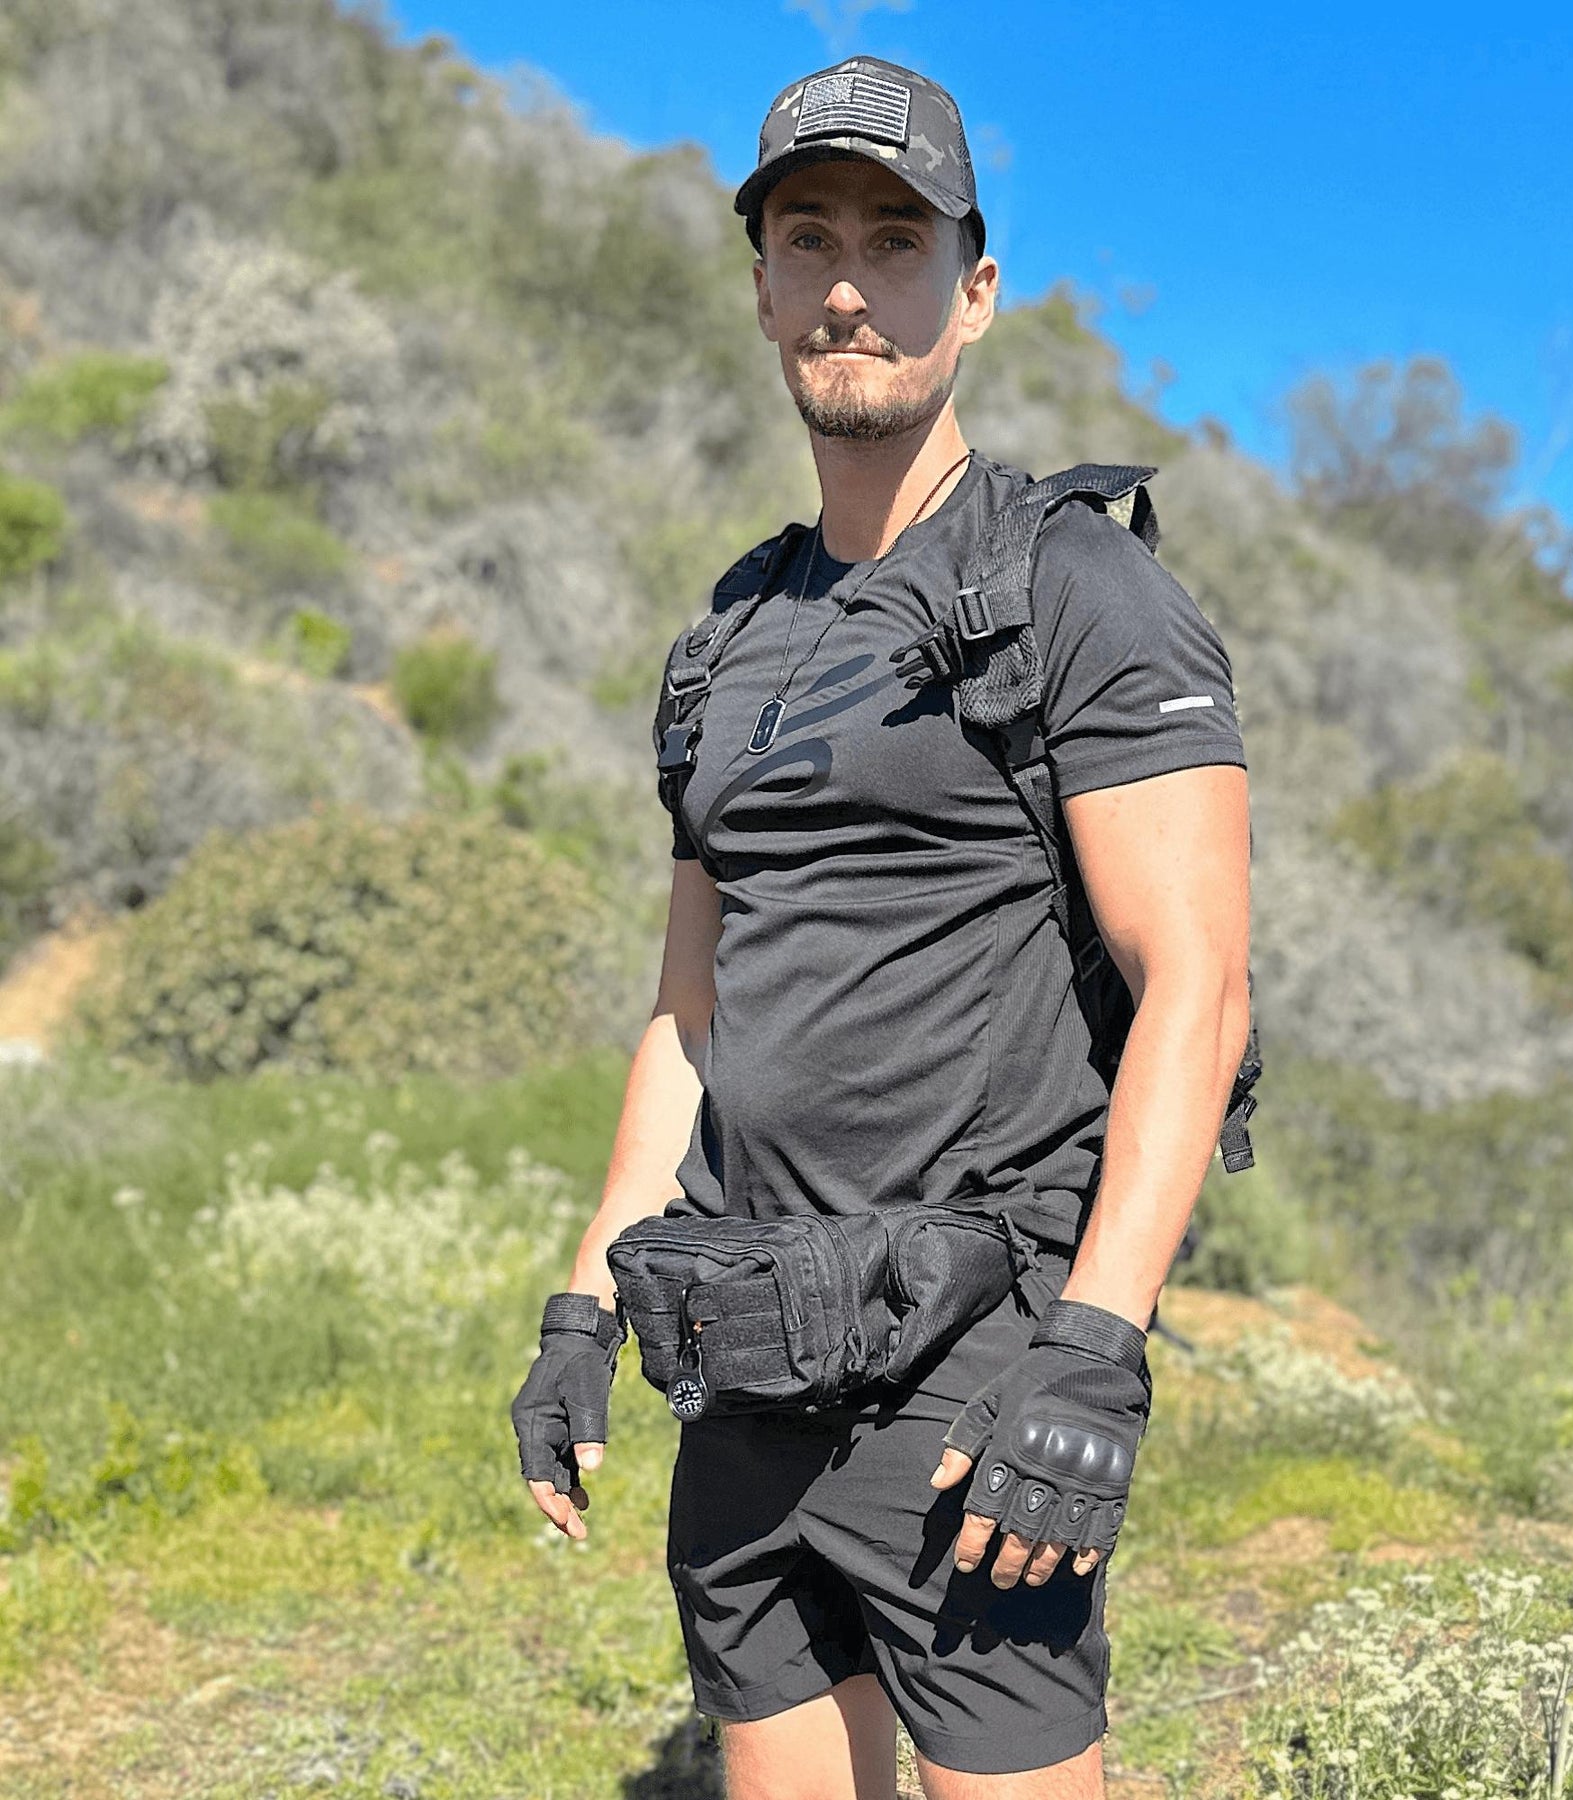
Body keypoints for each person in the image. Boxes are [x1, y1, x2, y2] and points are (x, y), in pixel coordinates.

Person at [512, 55, 1252, 1800]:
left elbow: (1198, 987)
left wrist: (1096, 1352)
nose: (849, 283)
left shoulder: (1075, 587)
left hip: (972, 1365)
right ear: (763, 285)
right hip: (746, 1335)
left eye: (896, 240)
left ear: (973, 291)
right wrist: (582, 1301)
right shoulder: (730, 637)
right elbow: (692, 1010)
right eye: (809, 237)